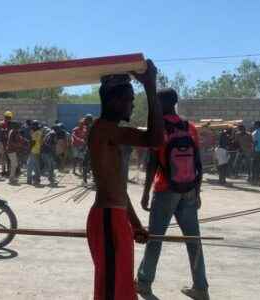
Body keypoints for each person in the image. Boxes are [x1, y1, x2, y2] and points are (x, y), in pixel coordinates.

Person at [86, 59, 163, 300]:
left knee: (121, 290)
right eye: (129, 99)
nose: (131, 104)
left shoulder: (111, 131)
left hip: (114, 218)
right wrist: (150, 86)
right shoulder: (104, 130)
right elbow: (155, 138)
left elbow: (118, 188)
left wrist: (135, 223)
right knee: (112, 292)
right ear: (113, 101)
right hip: (108, 219)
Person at [137, 88, 210, 300]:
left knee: (155, 239)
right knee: (193, 240)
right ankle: (201, 288)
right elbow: (198, 163)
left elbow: (152, 164)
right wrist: (197, 191)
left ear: (161, 105)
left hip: (164, 189)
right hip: (187, 189)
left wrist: (144, 193)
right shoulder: (190, 128)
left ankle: (143, 283)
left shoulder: (159, 129)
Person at [27, 120, 43, 185]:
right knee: (36, 166)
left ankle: (29, 180)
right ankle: (37, 179)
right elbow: (41, 142)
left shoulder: (35, 133)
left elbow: (33, 142)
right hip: (38, 150)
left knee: (29, 166)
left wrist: (28, 149)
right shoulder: (40, 132)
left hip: (33, 150)